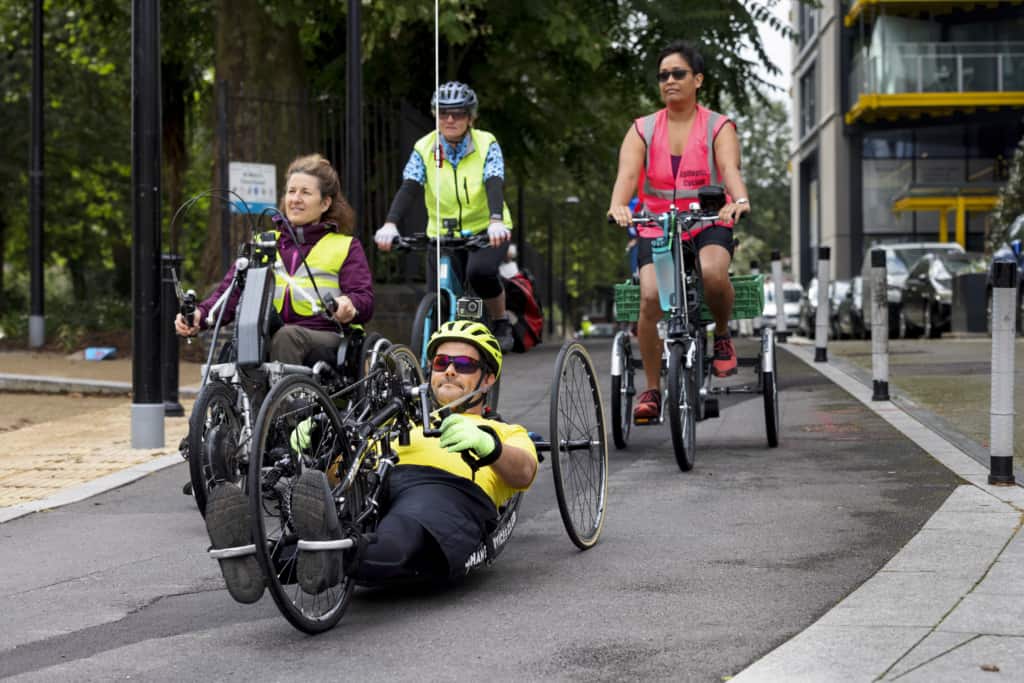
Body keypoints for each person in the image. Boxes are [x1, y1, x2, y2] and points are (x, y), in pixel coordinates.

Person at [203, 320, 539, 602]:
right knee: (347, 519)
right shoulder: (396, 421)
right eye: (441, 363)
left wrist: (488, 444)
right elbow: (336, 478)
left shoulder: (502, 430)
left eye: (464, 365)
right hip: (379, 481)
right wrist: (320, 443)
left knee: (400, 530)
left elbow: (524, 472)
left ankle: (326, 554)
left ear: (488, 378)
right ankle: (253, 559)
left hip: (444, 492)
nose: (449, 371)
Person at [608, 41, 751, 421]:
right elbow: (626, 177)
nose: (669, 81)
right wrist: (618, 206)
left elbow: (731, 169)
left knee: (713, 274)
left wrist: (738, 199)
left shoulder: (718, 126)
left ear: (698, 80)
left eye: (678, 74)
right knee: (650, 299)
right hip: (658, 227)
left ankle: (721, 335)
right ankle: (653, 389)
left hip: (708, 223)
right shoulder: (642, 129)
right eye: (663, 76)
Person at [175, 154, 374, 365]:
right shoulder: (264, 244)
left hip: (328, 336)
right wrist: (200, 315)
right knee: (244, 340)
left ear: (325, 203)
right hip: (273, 332)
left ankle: (284, 399)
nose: (295, 199)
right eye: (291, 191)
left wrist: (349, 305)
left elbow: (364, 299)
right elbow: (229, 292)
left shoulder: (345, 246)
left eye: (305, 193)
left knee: (287, 337)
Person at [374, 81, 517, 353]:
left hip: (485, 229)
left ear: (471, 117)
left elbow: (494, 181)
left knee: (480, 273)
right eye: (443, 113)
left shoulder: (486, 143)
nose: (450, 119)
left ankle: (500, 321)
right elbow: (410, 186)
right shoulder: (424, 147)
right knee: (437, 296)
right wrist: (390, 223)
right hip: (441, 233)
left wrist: (496, 220)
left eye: (458, 113)